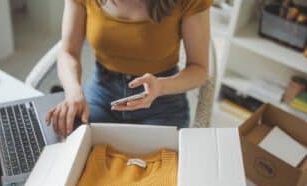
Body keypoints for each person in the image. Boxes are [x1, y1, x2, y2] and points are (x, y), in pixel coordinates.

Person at [46, 0, 212, 137]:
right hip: (102, 94)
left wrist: (161, 86)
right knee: (77, 158)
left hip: (162, 101)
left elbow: (199, 68)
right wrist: (73, 91)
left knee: (156, 170)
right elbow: (68, 52)